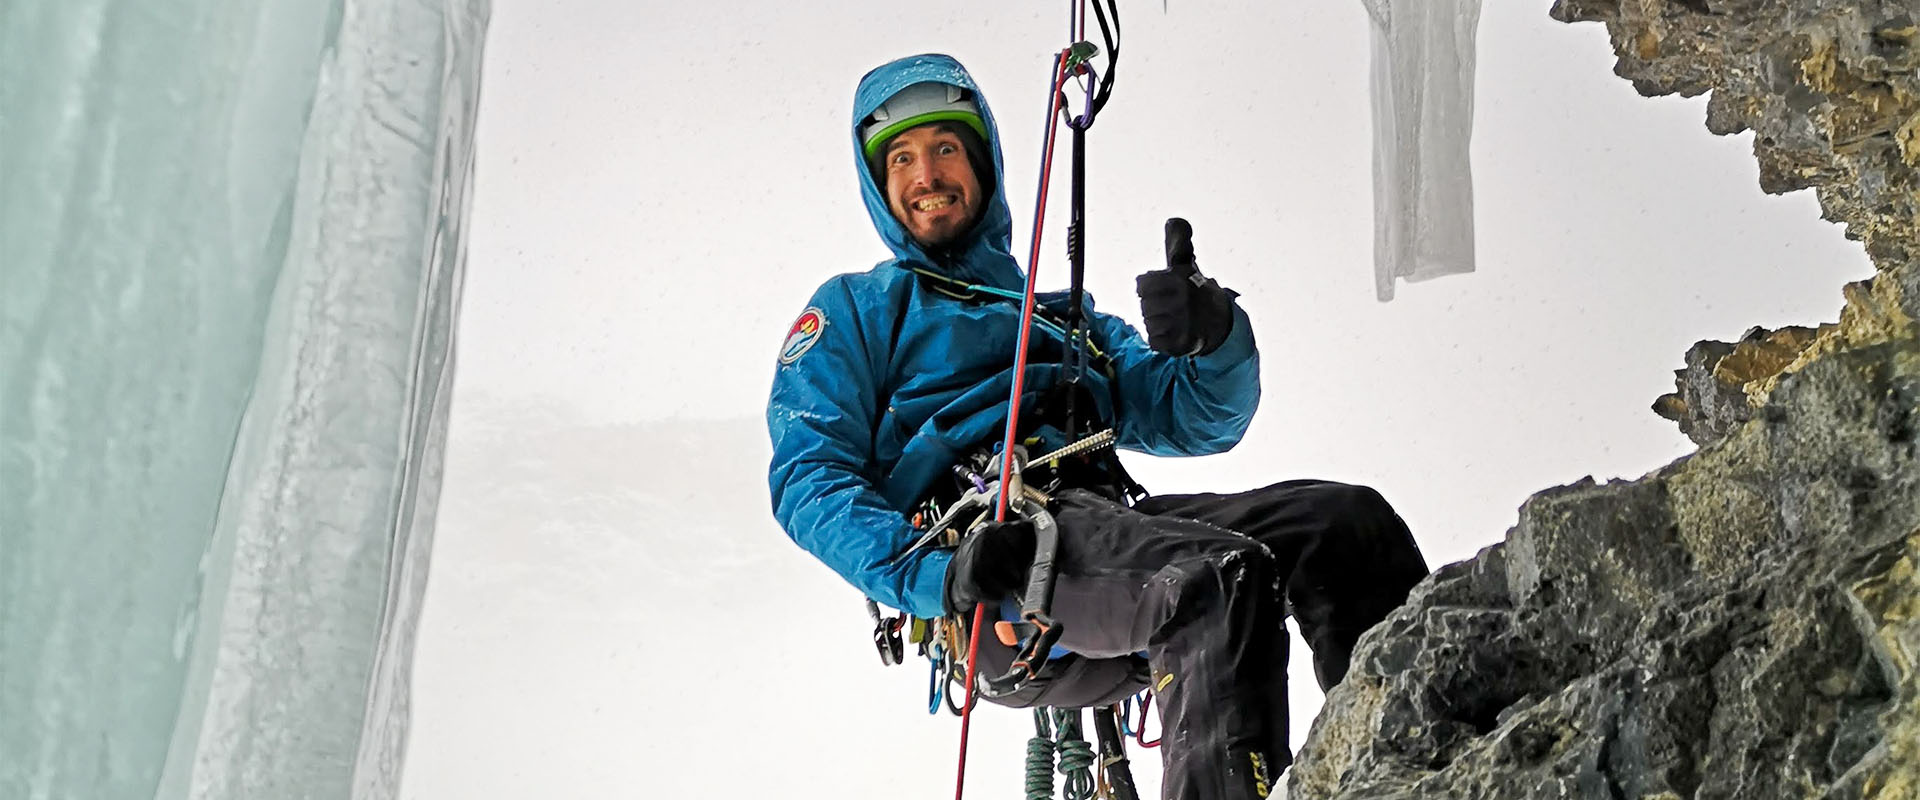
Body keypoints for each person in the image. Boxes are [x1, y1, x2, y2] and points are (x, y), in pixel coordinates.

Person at [766, 53, 1429, 800]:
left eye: (946, 149)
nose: (927, 175)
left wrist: (1211, 342)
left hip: (1113, 540)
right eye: (904, 159)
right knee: (1212, 578)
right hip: (1003, 566)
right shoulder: (858, 309)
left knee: (1345, 526)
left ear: (982, 165)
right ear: (881, 190)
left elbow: (1193, 416)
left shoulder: (1065, 319)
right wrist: (934, 576)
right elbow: (809, 474)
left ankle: (1412, 766)